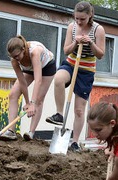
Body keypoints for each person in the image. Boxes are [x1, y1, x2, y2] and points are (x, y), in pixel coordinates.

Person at [46, 1, 105, 151]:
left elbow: (100, 54)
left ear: (90, 15)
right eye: (77, 18)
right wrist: (75, 42)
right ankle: (59, 114)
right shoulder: (72, 27)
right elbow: (66, 50)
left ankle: (75, 142)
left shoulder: (98, 30)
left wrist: (90, 42)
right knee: (58, 79)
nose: (79, 21)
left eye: (82, 19)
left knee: (79, 110)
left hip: (86, 71)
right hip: (71, 64)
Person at [0, 35, 56, 141]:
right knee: (13, 94)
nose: (15, 59)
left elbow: (38, 80)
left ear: (23, 49)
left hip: (47, 67)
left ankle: (31, 132)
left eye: (17, 56)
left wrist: (33, 103)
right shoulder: (14, 60)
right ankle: (11, 131)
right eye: (13, 57)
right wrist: (28, 103)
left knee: (39, 100)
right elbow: (22, 82)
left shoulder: (34, 52)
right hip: (29, 69)